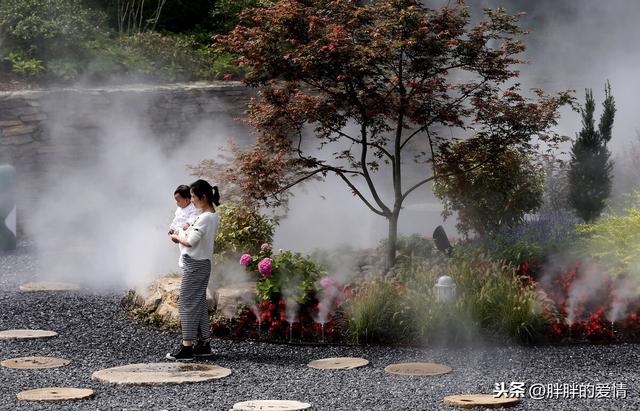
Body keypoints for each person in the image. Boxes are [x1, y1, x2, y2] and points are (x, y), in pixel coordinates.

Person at [166, 180, 220, 361]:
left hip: (195, 263)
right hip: (201, 262)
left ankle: (187, 347)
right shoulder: (210, 215)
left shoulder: (205, 217)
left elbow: (191, 241)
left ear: (203, 197)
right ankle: (204, 344)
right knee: (198, 303)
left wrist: (176, 236)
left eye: (194, 197)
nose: (192, 201)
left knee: (187, 303)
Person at [169, 185, 199, 268]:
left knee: (186, 248)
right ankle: (183, 261)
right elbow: (176, 219)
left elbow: (194, 216)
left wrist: (188, 223)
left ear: (187, 200)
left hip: (187, 232)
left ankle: (185, 261)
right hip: (179, 232)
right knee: (181, 247)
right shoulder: (179, 209)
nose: (177, 203)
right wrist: (172, 228)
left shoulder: (192, 208)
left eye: (178, 201)